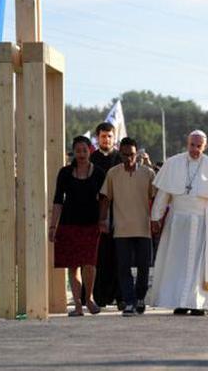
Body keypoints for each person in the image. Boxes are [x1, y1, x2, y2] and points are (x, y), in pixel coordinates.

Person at [150, 130, 208, 316]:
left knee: (199, 264)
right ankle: (180, 302)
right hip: (178, 222)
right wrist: (155, 217)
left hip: (203, 221)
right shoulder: (173, 163)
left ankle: (198, 302)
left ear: (205, 146)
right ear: (187, 143)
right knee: (178, 263)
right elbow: (163, 195)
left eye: (199, 146)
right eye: (192, 145)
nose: (195, 149)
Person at [99, 137, 156, 317]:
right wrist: (103, 220)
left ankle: (140, 298)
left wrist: (157, 220)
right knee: (123, 267)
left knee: (144, 267)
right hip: (121, 229)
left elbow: (156, 198)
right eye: (124, 155)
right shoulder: (113, 173)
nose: (128, 158)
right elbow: (105, 197)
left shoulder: (148, 173)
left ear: (136, 153)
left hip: (143, 228)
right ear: (120, 154)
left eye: (131, 155)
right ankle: (129, 301)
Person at [49, 136, 105, 317]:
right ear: (74, 152)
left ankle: (89, 298)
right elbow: (58, 200)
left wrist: (104, 220)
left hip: (91, 224)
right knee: (72, 265)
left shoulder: (99, 173)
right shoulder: (64, 173)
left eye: (84, 150)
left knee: (90, 263)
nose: (81, 154)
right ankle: (78, 304)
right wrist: (53, 226)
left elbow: (105, 200)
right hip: (68, 224)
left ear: (90, 151)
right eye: (78, 150)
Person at [89, 122, 123, 309]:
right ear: (97, 137)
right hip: (96, 215)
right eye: (103, 136)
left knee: (119, 256)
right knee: (98, 256)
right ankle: (98, 296)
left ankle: (121, 296)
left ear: (114, 137)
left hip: (118, 214)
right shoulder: (91, 159)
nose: (106, 139)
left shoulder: (120, 158)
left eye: (109, 136)